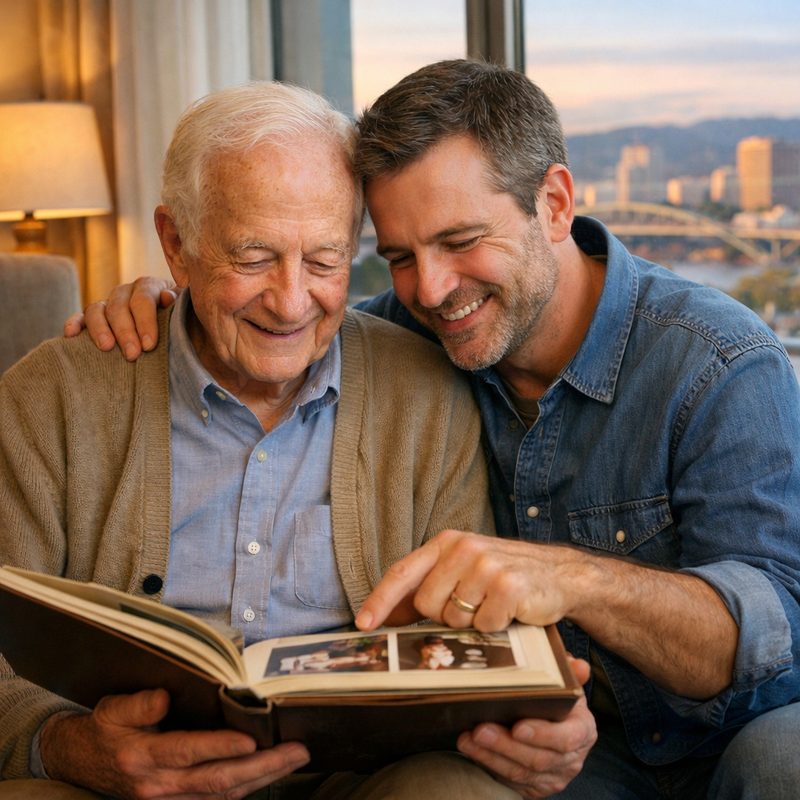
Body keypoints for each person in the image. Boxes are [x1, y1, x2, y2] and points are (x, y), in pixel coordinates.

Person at [78, 59, 800, 798]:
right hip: (557, 752)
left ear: (554, 205)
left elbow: (774, 633)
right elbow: (286, 318)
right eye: (399, 256)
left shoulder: (718, 362)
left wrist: (574, 579)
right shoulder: (410, 337)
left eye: (460, 241)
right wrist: (180, 299)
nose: (430, 288)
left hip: (732, 736)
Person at [0, 79, 551, 800]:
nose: (291, 303)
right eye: (254, 257)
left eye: (324, 261)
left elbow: (469, 638)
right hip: (112, 784)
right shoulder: (54, 395)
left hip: (356, 780)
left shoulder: (427, 394)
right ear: (177, 245)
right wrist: (69, 747)